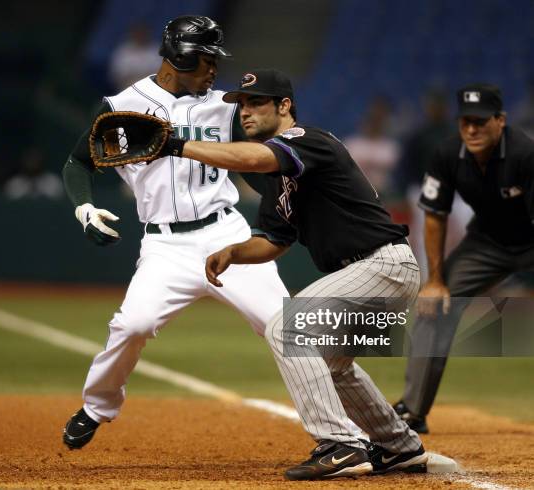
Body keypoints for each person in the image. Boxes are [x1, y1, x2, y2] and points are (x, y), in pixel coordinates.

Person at [155, 68, 427, 480]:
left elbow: (251, 157)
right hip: (373, 271)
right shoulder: (277, 182)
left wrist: (176, 145)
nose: (245, 111)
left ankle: (341, 444)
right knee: (334, 366)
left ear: (285, 106)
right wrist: (233, 251)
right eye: (242, 104)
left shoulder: (306, 140)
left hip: (383, 265)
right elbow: (275, 241)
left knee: (286, 327)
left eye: (257, 102)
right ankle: (399, 446)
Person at [61, 17, 289, 450]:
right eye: (208, 59)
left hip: (227, 233)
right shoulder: (122, 106)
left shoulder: (226, 105)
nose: (214, 70)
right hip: (165, 243)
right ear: (181, 56)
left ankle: (350, 430)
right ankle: (96, 406)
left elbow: (260, 166)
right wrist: (85, 208)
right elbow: (78, 163)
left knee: (285, 327)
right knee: (133, 325)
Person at [394, 84, 534, 434]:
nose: (471, 129)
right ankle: (413, 410)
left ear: (500, 121)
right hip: (487, 242)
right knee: (433, 307)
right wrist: (435, 280)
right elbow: (435, 215)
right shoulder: (447, 154)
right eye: (465, 121)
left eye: (481, 122)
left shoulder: (525, 154)